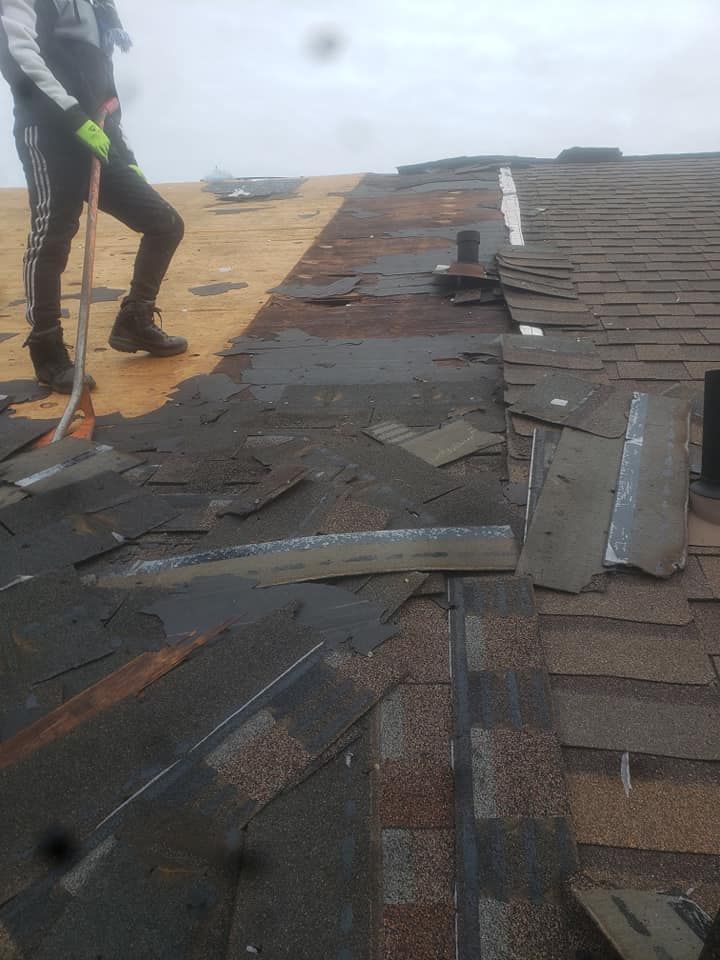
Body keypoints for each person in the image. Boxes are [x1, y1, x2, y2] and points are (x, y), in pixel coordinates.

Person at [0, 0, 187, 393]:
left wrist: (125, 154)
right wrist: (71, 116)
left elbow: (104, 90)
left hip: (97, 136)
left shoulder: (98, 7)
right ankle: (47, 350)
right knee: (51, 238)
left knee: (165, 225)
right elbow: (17, 55)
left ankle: (134, 321)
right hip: (49, 132)